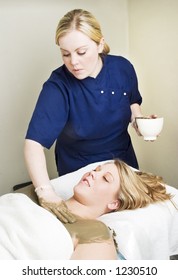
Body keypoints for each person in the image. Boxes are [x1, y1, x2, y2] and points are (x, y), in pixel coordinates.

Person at [24, 9, 157, 207]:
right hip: (80, 174)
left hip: (121, 167)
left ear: (100, 44)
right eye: (65, 54)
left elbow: (131, 103)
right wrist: (45, 192)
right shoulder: (58, 86)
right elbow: (33, 144)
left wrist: (141, 123)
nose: (73, 62)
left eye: (81, 52)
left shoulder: (123, 68)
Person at [17, 160, 172, 260]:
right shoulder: (36, 198)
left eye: (105, 178)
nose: (93, 173)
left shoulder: (95, 231)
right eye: (97, 170)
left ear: (114, 203)